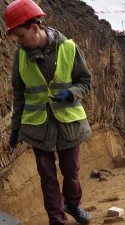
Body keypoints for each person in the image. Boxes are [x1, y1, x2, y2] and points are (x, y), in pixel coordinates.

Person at [5, 0, 92, 224]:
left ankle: (73, 205)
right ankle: (56, 220)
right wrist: (16, 128)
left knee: (70, 171)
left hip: (68, 124)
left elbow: (85, 82)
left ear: (35, 28)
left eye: (21, 37)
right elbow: (19, 94)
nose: (20, 43)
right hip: (38, 127)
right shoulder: (21, 55)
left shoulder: (69, 48)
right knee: (47, 177)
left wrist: (71, 93)